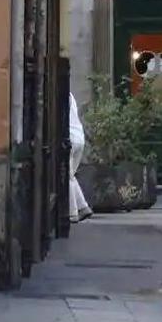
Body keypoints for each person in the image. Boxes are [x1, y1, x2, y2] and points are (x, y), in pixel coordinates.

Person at [68, 92, 93, 223]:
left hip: (70, 137)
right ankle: (83, 207)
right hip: (79, 136)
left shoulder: (59, 94)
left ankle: (72, 213)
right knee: (70, 175)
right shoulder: (71, 95)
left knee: (66, 176)